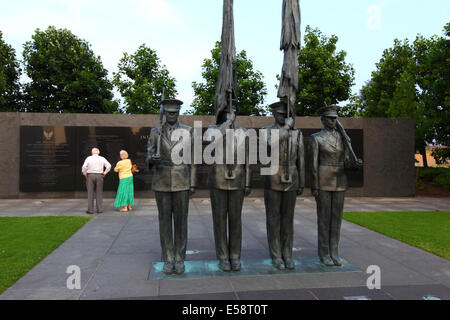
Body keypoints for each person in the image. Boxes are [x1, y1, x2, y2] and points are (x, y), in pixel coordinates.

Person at [147, 99, 196, 275]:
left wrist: (193, 182)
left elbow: (193, 159)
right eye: (169, 113)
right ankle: (168, 258)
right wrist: (152, 159)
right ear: (164, 113)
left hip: (182, 180)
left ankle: (180, 258)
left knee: (181, 223)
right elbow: (149, 154)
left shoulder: (188, 131)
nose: (172, 116)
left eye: (175, 113)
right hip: (161, 181)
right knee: (165, 222)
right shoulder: (155, 131)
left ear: (179, 112)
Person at [206, 103, 251, 272]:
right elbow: (209, 142)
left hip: (238, 178)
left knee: (235, 220)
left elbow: (248, 158)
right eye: (227, 112)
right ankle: (223, 256)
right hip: (218, 179)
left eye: (233, 112)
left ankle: (235, 256)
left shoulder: (244, 132)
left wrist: (248, 181)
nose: (231, 115)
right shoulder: (213, 129)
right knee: (219, 221)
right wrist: (226, 125)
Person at [309, 105, 355, 267]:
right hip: (323, 180)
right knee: (324, 219)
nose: (333, 121)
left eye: (335, 118)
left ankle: (334, 251)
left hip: (340, 180)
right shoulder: (316, 138)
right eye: (330, 118)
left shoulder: (343, 138)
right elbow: (313, 164)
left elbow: (348, 159)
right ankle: (324, 253)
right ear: (322, 120)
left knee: (336, 219)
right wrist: (314, 185)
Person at [261, 101, 305, 270]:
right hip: (273, 178)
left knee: (288, 219)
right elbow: (269, 145)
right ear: (274, 115)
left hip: (291, 178)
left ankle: (287, 254)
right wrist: (285, 129)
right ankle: (276, 255)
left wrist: (301, 181)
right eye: (280, 115)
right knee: (273, 219)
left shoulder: (298, 134)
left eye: (286, 115)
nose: (283, 117)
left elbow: (300, 159)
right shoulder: (266, 131)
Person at [81, 147, 111, 214]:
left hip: (90, 175)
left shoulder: (89, 158)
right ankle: (99, 209)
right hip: (99, 175)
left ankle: (90, 210)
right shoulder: (102, 158)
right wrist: (104, 173)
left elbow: (84, 167)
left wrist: (84, 173)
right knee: (99, 192)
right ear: (98, 153)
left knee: (90, 193)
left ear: (92, 153)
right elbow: (109, 166)